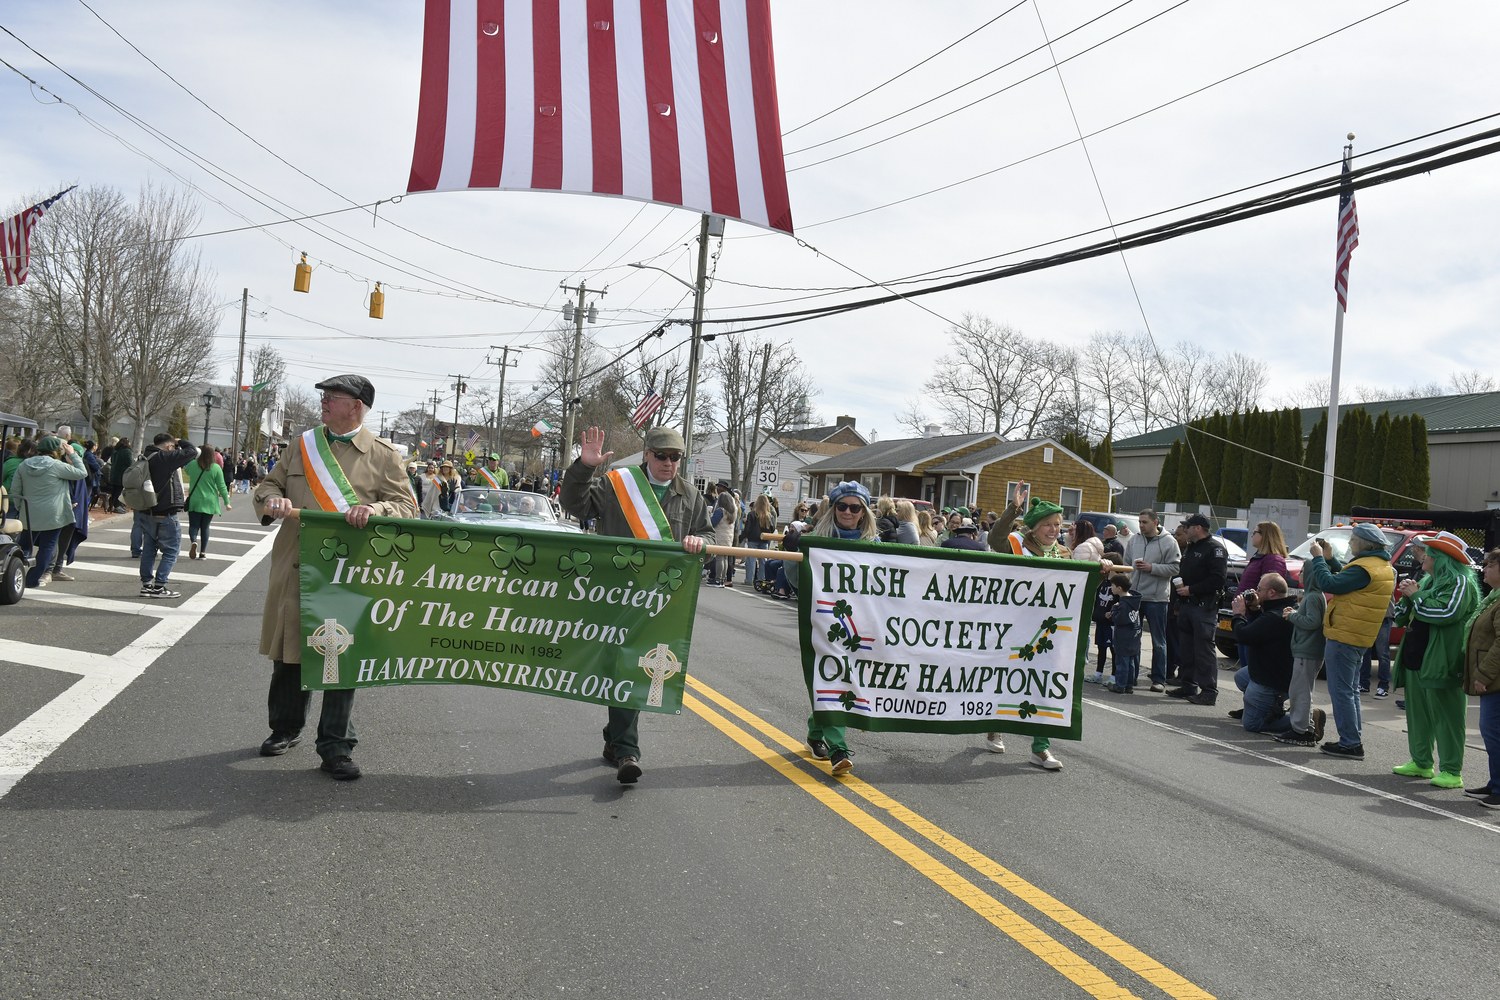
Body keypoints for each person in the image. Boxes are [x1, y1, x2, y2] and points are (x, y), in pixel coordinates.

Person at [254, 375, 417, 781]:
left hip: (349, 575)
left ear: (357, 406)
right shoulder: (302, 444)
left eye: (333, 397)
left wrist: (375, 512)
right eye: (324, 397)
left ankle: (335, 746)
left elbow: (406, 507)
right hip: (298, 565)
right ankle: (286, 728)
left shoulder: (383, 455)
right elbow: (269, 482)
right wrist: (272, 498)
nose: (324, 402)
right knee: (290, 652)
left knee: (342, 658)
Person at [561, 425, 711, 784]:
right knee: (619, 666)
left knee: (633, 666)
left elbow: (708, 533)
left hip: (661, 599)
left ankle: (623, 746)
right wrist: (584, 467)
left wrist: (699, 541)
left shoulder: (691, 497)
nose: (668, 463)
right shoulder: (617, 484)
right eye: (661, 456)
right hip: (614, 595)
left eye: (676, 457)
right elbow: (573, 504)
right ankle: (623, 744)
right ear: (647, 455)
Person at [986, 482, 1083, 770]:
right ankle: (994, 726)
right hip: (1015, 628)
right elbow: (995, 538)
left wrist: (1100, 573)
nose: (1054, 530)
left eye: (1058, 525)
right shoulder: (1016, 545)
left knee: (1045, 687)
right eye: (1047, 525)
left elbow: (1076, 591)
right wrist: (1014, 508)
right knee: (1007, 680)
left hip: (1050, 633)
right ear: (1033, 527)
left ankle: (1040, 748)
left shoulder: (1065, 554)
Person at [1390, 532, 1480, 788]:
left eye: (1429, 553)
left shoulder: (1461, 582)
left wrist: (1416, 596)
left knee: (1448, 718)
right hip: (1417, 658)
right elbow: (1400, 617)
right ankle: (1421, 763)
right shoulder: (1428, 580)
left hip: (1443, 661)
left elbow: (1445, 614)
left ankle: (1452, 771)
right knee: (1418, 714)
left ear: (1442, 558)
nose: (1424, 556)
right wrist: (1407, 599)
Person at [1303, 521, 1396, 760]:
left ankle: (1350, 743)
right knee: (1350, 690)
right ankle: (1352, 738)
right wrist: (1331, 559)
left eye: (1352, 540)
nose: (1350, 544)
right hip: (1358, 635)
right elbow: (1345, 580)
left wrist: (1318, 559)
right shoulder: (1379, 565)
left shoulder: (1364, 567)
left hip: (1345, 635)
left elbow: (1330, 584)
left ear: (1363, 545)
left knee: (1342, 691)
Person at [804, 481, 879, 774]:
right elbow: (797, 578)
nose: (848, 512)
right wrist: (798, 552)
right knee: (837, 677)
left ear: (864, 512)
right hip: (824, 621)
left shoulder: (875, 545)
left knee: (840, 680)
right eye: (842, 506)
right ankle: (838, 749)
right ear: (833, 508)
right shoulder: (817, 540)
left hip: (859, 624)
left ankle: (815, 731)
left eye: (855, 507)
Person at [9, 436, 87, 589]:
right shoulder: (57, 466)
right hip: (53, 515)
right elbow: (81, 472)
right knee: (47, 548)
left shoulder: (24, 465)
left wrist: (20, 508)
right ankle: (32, 579)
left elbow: (15, 489)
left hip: (29, 513)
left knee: (23, 546)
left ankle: (11, 571)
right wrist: (73, 454)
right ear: (57, 451)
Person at [1168, 513, 1228, 706]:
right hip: (1187, 605)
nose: (1185, 530)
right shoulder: (1191, 547)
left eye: (1188, 526)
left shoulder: (1214, 549)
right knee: (1187, 648)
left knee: (1203, 650)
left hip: (1203, 605)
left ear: (1198, 528)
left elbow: (1218, 580)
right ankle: (1188, 685)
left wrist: (1192, 589)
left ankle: (1208, 691)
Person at [1228, 573, 1297, 734]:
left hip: (1272, 680)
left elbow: (1244, 636)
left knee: (1252, 724)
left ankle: (1303, 720)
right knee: (1241, 677)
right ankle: (1262, 708)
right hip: (1271, 670)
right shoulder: (1281, 609)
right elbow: (1263, 630)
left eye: (1259, 589)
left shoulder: (1275, 616)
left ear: (1272, 592)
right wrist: (1255, 609)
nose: (1256, 592)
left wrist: (1238, 615)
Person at [135, 433, 199, 598]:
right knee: (171, 550)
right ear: (169, 447)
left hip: (146, 511)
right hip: (165, 512)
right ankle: (159, 586)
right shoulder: (165, 457)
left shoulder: (145, 456)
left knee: (149, 549)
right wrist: (181, 441)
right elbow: (192, 451)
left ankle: (147, 585)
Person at [1123, 509, 1181, 692]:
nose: (1141, 525)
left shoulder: (1169, 542)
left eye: (1145, 522)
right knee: (1133, 638)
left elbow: (1175, 568)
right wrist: (1126, 586)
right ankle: (1131, 676)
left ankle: (1158, 679)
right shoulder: (1134, 540)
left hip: (1157, 599)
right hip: (1134, 595)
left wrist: (1152, 567)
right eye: (1139, 522)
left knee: (1158, 640)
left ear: (1156, 522)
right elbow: (1126, 565)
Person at [1273, 567, 1329, 747]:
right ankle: (1306, 727)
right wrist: (1296, 613)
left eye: (1305, 570)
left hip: (1307, 650)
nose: (1301, 574)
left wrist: (1292, 616)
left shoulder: (1313, 597)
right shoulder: (1313, 595)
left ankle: (1301, 730)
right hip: (1307, 650)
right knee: (1300, 691)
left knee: (1300, 692)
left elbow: (1313, 622)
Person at [1463, 549, 1500, 808]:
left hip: (1495, 680)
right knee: (1491, 731)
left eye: (1490, 565)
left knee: (1492, 730)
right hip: (1492, 679)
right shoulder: (1494, 599)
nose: (1484, 569)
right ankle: (1494, 782)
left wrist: (1484, 674)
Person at [1236, 522, 1289, 671]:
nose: (1252, 535)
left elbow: (1272, 590)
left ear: (1265, 536)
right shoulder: (1260, 557)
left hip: (1258, 619)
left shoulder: (1273, 560)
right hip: (1249, 616)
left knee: (1252, 668)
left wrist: (1255, 606)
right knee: (1246, 666)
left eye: (1255, 532)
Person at [185, 443, 231, 560]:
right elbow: (222, 486)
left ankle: (194, 541)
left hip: (195, 499)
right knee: (205, 527)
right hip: (210, 501)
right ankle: (203, 553)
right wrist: (226, 502)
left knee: (194, 525)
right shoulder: (216, 468)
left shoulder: (193, 464)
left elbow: (187, 471)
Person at [1105, 574, 1143, 694]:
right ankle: (1129, 684)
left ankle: (1120, 685)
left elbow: (1119, 620)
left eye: (1113, 585)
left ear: (1119, 588)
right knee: (1131, 661)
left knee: (1121, 662)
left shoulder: (1124, 604)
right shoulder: (1133, 600)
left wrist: (1113, 611)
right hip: (1134, 636)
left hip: (1123, 637)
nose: (1111, 588)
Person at [1361, 594, 1397, 697]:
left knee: (1383, 653)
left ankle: (1383, 686)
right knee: (1365, 651)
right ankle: (1364, 684)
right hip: (1367, 616)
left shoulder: (1389, 577)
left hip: (1383, 616)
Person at [739, 494, 774, 586]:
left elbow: (748, 529)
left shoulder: (752, 514)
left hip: (753, 539)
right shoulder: (769, 515)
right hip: (765, 539)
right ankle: (761, 580)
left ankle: (749, 580)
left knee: (751, 560)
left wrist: (741, 537)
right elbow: (772, 528)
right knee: (763, 560)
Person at [711, 482, 738, 587]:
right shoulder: (733, 512)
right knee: (725, 558)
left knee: (719, 558)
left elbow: (713, 523)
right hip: (728, 537)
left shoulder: (720, 511)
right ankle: (722, 579)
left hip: (719, 536)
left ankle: (717, 579)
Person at [108, 437, 134, 512]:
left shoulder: (115, 451)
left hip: (114, 473)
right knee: (120, 492)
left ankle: (112, 505)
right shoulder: (127, 451)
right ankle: (118, 506)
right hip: (123, 474)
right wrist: (134, 461)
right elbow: (130, 463)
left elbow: (112, 460)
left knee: (114, 491)